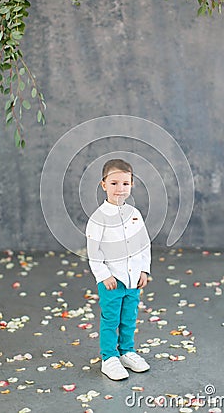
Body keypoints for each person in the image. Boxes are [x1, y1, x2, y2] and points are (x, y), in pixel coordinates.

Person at [86, 158, 151, 380]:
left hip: (133, 280)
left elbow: (144, 244)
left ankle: (127, 351)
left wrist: (144, 269)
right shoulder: (98, 218)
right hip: (112, 281)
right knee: (111, 319)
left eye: (125, 183)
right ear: (104, 184)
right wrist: (104, 275)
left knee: (129, 318)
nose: (119, 189)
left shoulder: (135, 214)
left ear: (131, 184)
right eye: (114, 183)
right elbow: (94, 252)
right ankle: (109, 358)